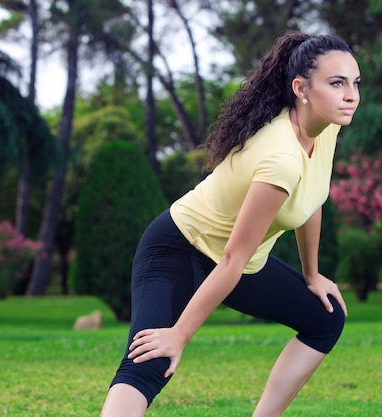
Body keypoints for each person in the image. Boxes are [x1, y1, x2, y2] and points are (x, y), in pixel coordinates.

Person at [100, 31, 360, 417]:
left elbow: (313, 198)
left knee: (325, 318)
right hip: (178, 247)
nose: (350, 95)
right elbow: (231, 260)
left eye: (355, 83)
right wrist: (179, 334)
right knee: (151, 359)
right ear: (301, 88)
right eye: (336, 83)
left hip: (236, 262)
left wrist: (312, 274)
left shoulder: (326, 129)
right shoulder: (280, 158)